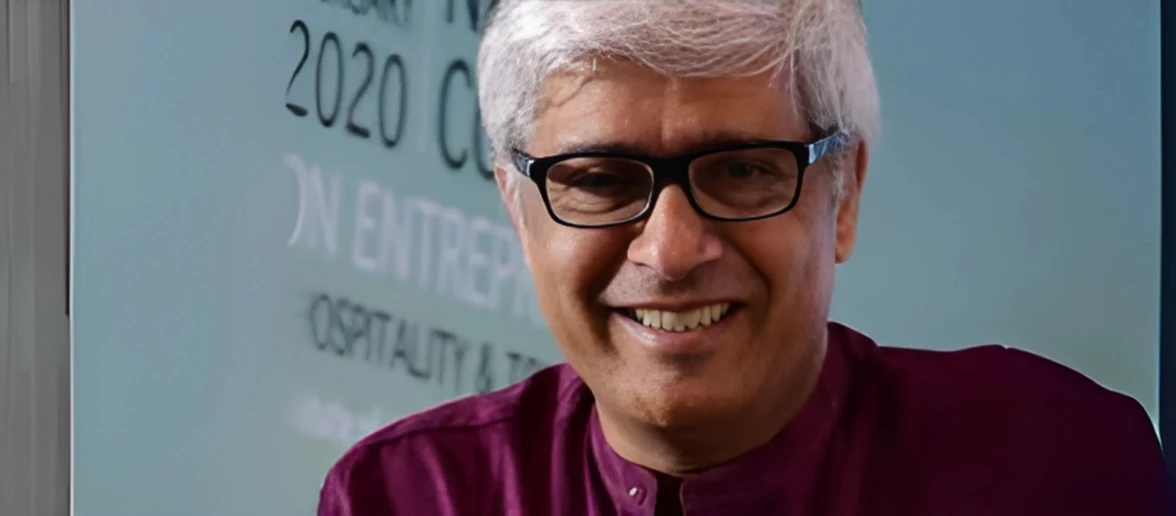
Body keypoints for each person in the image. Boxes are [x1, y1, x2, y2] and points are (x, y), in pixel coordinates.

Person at [317, 1, 1169, 514]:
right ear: (518, 209)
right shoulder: (409, 497)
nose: (670, 250)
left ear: (845, 193)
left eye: (742, 171)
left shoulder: (1050, 468)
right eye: (601, 180)